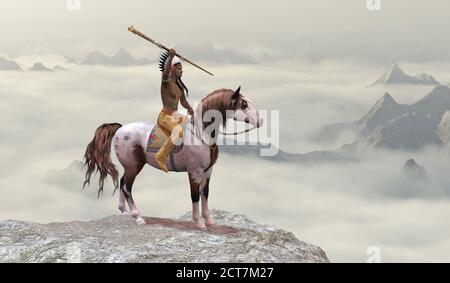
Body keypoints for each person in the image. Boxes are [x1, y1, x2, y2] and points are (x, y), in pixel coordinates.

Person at [155, 48, 194, 172]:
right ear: (171, 68)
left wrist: (190, 108)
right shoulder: (166, 81)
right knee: (178, 132)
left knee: (193, 124)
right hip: (165, 116)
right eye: (178, 68)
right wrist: (171, 57)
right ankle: (161, 155)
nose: (181, 71)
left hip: (175, 115)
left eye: (181, 68)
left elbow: (183, 101)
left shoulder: (179, 85)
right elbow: (165, 74)